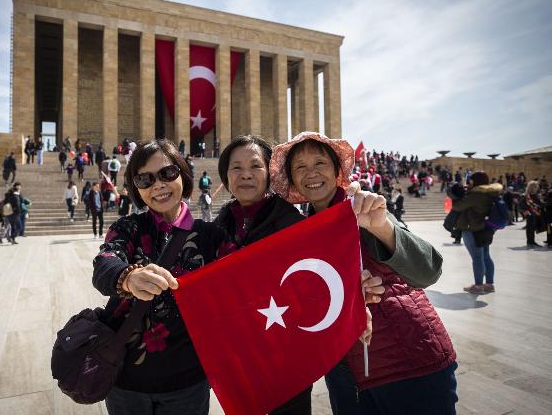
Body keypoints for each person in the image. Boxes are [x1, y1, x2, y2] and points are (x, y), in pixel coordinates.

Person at [270, 132, 456, 415]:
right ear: (293, 180)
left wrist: (381, 227)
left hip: (409, 364)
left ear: (337, 171)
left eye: (320, 163)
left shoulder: (362, 209)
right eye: (300, 167)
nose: (311, 174)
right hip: (346, 378)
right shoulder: (302, 234)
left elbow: (428, 270)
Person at [214, 135, 382, 414]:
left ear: (269, 174)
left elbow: (321, 278)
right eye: (236, 168)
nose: (245, 175)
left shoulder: (293, 223)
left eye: (255, 166)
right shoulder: (218, 224)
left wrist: (355, 302)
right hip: (241, 355)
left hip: (285, 356)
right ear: (225, 175)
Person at [92, 139, 229, 414]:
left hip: (187, 383)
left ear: (183, 174)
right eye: (145, 179)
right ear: (136, 188)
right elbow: (104, 264)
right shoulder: (128, 228)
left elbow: (247, 274)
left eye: (167, 173)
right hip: (127, 382)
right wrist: (128, 276)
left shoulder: (211, 236)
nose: (158, 185)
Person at [451, 171, 502, 292]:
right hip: (485, 228)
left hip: (472, 229)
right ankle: (489, 284)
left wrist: (455, 195)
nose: (469, 182)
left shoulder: (476, 194)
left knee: (477, 258)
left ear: (476, 181)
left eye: (471, 180)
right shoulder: (489, 193)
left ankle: (478, 286)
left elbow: (458, 206)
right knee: (486, 256)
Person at [522, 180, 544, 248]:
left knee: (530, 228)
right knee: (531, 228)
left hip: (529, 214)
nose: (538, 187)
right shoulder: (533, 195)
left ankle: (530, 241)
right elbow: (540, 204)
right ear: (533, 187)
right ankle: (531, 242)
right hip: (532, 214)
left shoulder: (527, 195)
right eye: (536, 186)